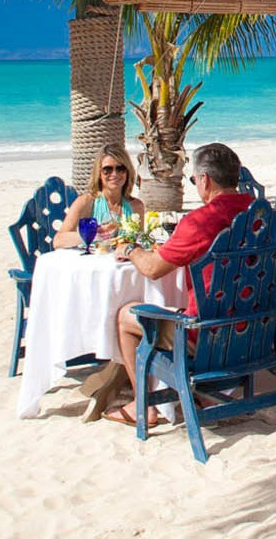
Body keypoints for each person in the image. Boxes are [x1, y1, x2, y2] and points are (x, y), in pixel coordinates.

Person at [102, 142, 253, 427]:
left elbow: (153, 269)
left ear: (205, 180)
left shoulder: (201, 221)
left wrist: (131, 249)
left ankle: (143, 406)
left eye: (194, 180)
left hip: (208, 337)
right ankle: (207, 396)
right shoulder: (258, 214)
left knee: (125, 316)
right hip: (255, 331)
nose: (196, 185)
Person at [53, 143, 145, 248]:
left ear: (127, 172)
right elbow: (58, 241)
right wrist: (93, 234)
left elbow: (140, 244)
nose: (114, 174)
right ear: (99, 173)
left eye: (120, 168)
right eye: (107, 170)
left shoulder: (136, 206)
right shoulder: (87, 202)